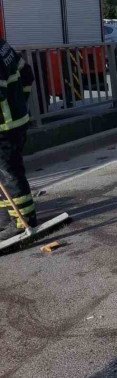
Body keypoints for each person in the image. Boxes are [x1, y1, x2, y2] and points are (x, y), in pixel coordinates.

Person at [0, 39, 37, 241]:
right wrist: (20, 103)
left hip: (5, 127)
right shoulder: (3, 47)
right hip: (16, 122)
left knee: (9, 173)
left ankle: (24, 222)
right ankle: (6, 218)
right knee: (5, 173)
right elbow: (27, 74)